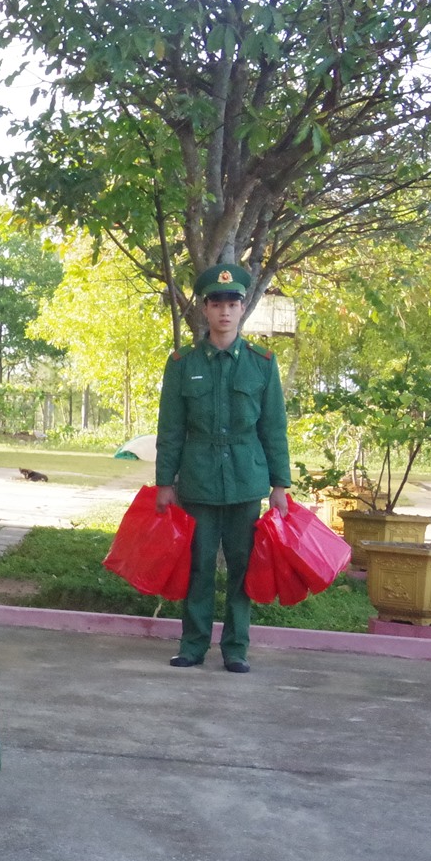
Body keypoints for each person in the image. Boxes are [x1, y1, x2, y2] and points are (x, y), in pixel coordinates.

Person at [155, 260, 292, 674]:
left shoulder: (261, 362)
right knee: (197, 567)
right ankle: (193, 644)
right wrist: (165, 481)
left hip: (246, 482)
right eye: (216, 303)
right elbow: (171, 429)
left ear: (242, 307)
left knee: (242, 568)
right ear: (205, 308)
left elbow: (274, 427)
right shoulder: (182, 364)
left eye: (232, 303)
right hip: (197, 480)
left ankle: (236, 648)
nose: (225, 311)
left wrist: (280, 485)